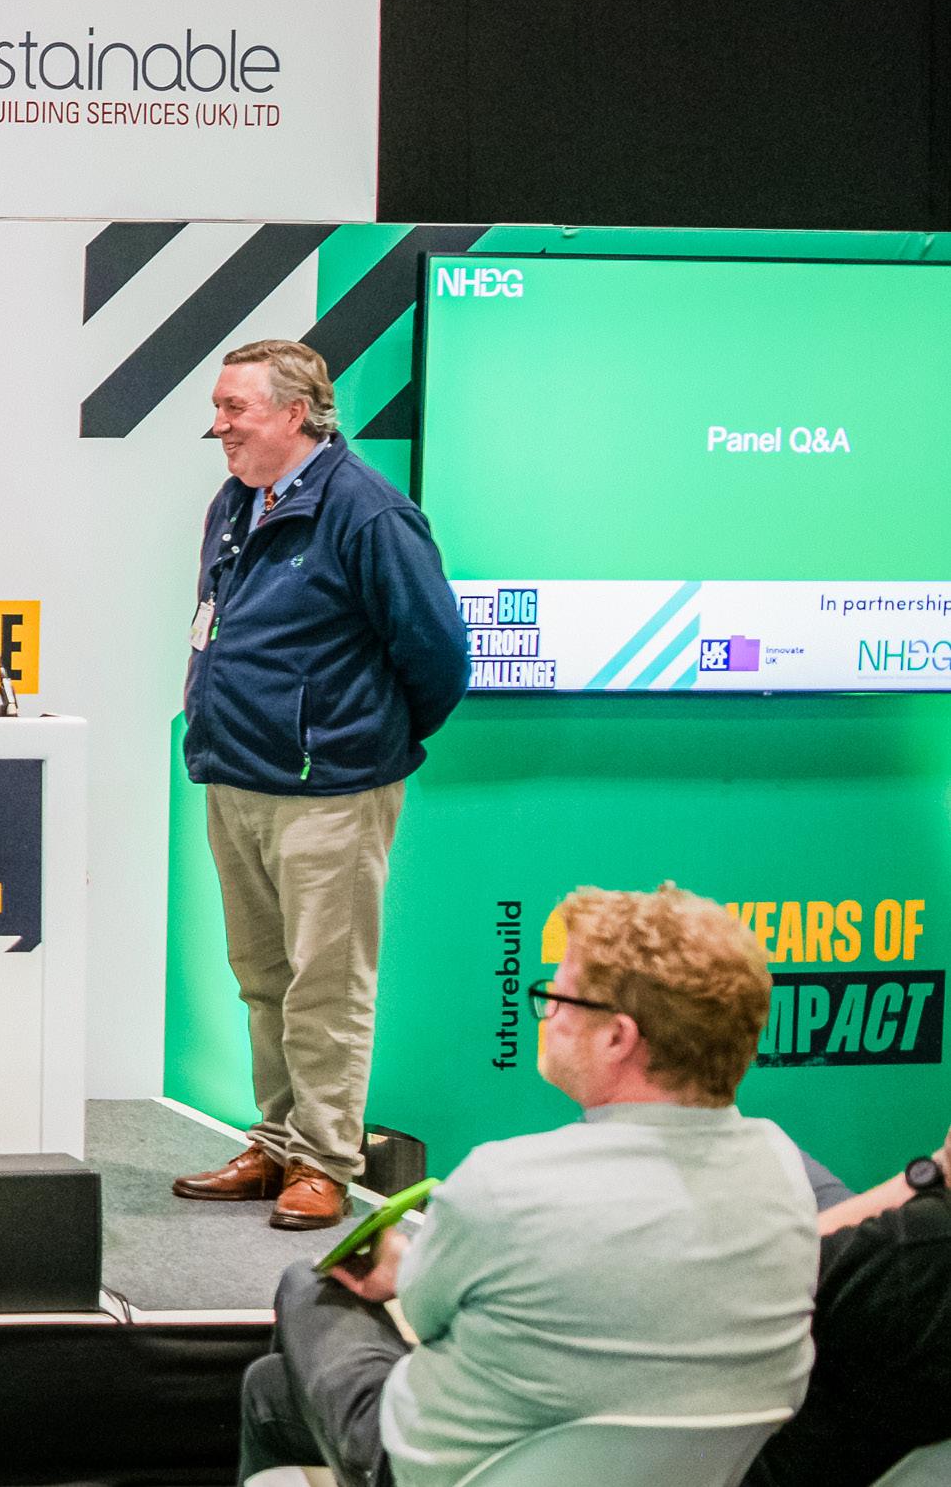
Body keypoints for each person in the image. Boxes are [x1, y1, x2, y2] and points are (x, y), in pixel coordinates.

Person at [238, 884, 821, 1487]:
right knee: (271, 1390)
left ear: (617, 1038)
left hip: (447, 1472)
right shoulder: (783, 1170)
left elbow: (427, 1316)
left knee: (307, 1285)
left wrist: (406, 1267)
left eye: (557, 998)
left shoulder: (501, 1183)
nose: (546, 1015)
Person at [173, 340, 469, 1231]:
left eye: (235, 408)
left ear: (295, 413)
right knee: (262, 977)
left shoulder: (369, 513)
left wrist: (354, 742)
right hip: (237, 777)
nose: (219, 426)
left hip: (330, 790)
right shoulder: (237, 502)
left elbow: (439, 657)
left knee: (326, 986)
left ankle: (324, 1161)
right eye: (219, 408)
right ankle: (275, 1141)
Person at [744, 1127, 951, 1487]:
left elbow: (744, 1292)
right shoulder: (909, 1244)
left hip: (762, 1464)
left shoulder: (907, 1253)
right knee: (770, 1144)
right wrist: (931, 1173)